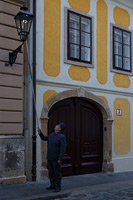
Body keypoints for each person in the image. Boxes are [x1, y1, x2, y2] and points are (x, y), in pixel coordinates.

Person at [38, 122, 66, 192]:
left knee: (57, 173)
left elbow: (62, 149)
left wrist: (60, 158)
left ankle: (58, 186)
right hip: (50, 157)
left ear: (59, 129)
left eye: (57, 126)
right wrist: (40, 133)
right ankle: (52, 185)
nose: (55, 126)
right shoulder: (51, 135)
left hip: (56, 158)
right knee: (51, 172)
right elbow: (44, 138)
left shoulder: (62, 137)